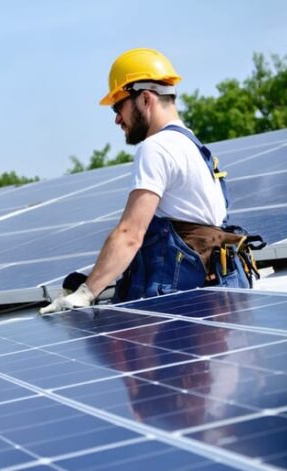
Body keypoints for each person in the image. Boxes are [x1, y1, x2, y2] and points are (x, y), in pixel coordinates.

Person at [41, 48, 252, 314]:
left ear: (145, 98)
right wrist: (92, 278)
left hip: (179, 309)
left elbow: (130, 234)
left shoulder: (156, 148)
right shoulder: (191, 146)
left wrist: (86, 293)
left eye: (119, 106)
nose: (117, 119)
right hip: (212, 304)